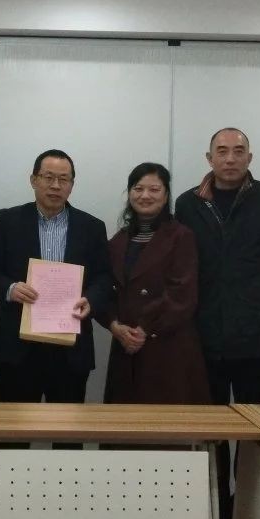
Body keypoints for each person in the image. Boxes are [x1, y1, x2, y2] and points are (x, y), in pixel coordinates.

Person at [173, 127, 260, 519]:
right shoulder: (188, 203)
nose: (230, 158)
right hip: (204, 335)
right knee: (211, 428)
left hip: (256, 334)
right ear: (209, 158)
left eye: (238, 151)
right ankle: (215, 509)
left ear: (250, 157)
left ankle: (248, 508)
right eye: (222, 151)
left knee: (253, 428)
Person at [0, 149, 112, 407]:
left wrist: (90, 300)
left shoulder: (92, 227)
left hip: (71, 349)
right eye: (48, 177)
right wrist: (10, 289)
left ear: (72, 185)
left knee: (67, 429)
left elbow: (103, 276)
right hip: (19, 347)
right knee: (14, 428)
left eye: (63, 179)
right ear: (34, 180)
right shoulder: (8, 220)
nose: (56, 185)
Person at [99, 162, 209, 405]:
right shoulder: (118, 240)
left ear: (166, 195)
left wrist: (144, 329)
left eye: (154, 189)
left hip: (168, 347)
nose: (145, 195)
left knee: (164, 422)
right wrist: (114, 325)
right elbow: (105, 289)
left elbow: (182, 293)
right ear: (129, 193)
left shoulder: (181, 236)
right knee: (125, 422)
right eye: (138, 189)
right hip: (125, 346)